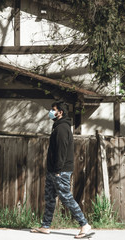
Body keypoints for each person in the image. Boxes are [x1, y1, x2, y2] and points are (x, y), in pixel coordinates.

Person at [31, 101, 92, 239]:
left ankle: (84, 224)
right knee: (50, 197)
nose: (51, 112)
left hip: (60, 170)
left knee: (66, 197)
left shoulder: (62, 128)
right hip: (53, 170)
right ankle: (45, 226)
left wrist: (58, 169)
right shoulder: (58, 127)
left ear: (60, 112)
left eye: (53, 109)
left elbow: (61, 151)